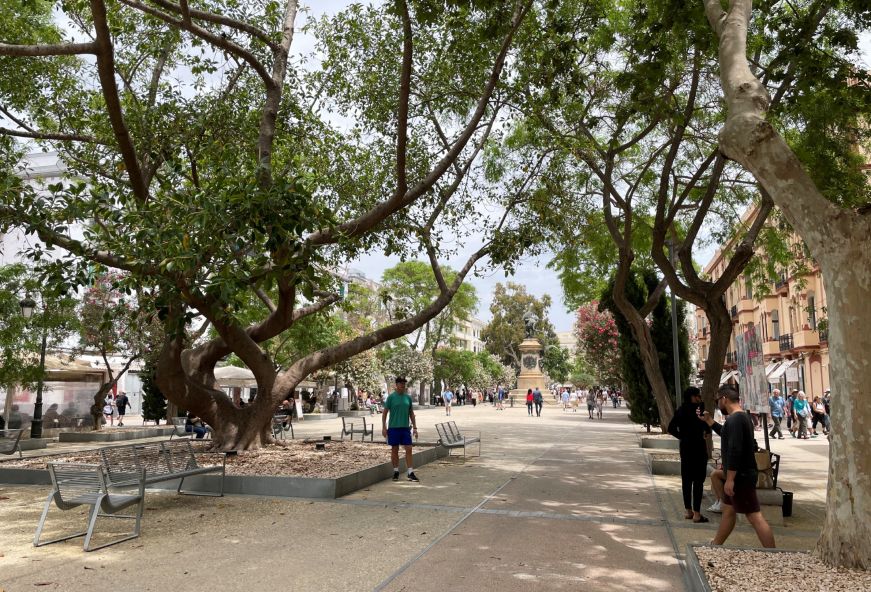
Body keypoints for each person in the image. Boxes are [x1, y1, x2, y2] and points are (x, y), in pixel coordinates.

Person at [701, 386, 776, 548]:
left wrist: (730, 479)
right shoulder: (740, 418)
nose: (717, 405)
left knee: (754, 516)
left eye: (717, 401)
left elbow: (735, 449)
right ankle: (716, 545)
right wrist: (709, 422)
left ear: (724, 399)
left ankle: (773, 553)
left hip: (741, 476)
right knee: (728, 512)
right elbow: (727, 434)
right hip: (741, 475)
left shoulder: (735, 420)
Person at [668, 387, 711, 523]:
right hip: (698, 448)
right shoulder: (699, 410)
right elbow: (707, 428)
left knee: (686, 480)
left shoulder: (681, 410)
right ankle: (697, 514)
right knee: (698, 480)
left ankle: (688, 511)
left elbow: (671, 428)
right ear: (692, 397)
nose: (699, 398)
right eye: (697, 395)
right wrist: (704, 433)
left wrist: (683, 437)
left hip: (686, 449)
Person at [382, 377, 419, 482]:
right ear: (396, 385)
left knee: (409, 448)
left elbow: (411, 413)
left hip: (405, 428)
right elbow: (384, 413)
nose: (403, 385)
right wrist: (384, 427)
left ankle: (410, 472)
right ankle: (396, 471)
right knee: (395, 450)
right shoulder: (391, 398)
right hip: (393, 428)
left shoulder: (408, 398)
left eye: (404, 383)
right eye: (401, 383)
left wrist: (415, 427)